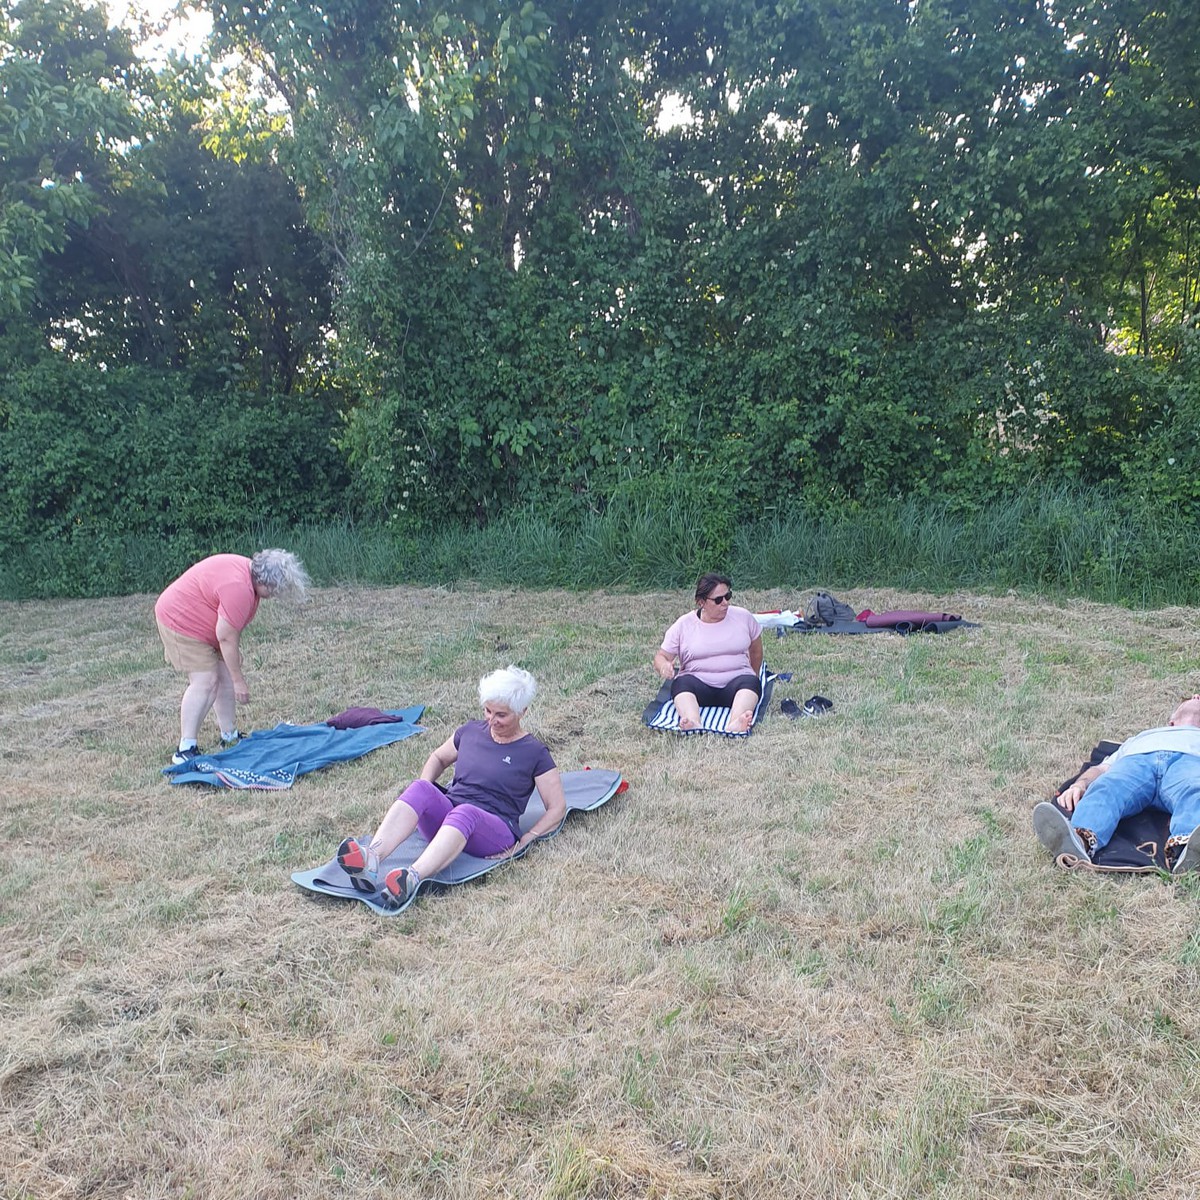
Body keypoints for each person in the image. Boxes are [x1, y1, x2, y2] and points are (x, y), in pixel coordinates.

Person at [336, 666, 567, 908]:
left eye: (501, 715)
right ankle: (371, 859)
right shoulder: (470, 732)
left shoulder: (534, 752)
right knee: (421, 787)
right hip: (450, 817)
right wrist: (426, 793)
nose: (492, 720)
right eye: (488, 711)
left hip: (493, 829)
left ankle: (411, 878)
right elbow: (438, 758)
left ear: (522, 712)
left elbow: (557, 807)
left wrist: (526, 840)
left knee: (465, 811)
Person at [155, 549, 310, 764]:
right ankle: (185, 749)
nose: (275, 595)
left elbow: (227, 633)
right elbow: (226, 637)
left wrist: (233, 666)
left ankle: (228, 735)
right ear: (267, 583)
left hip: (205, 621)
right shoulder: (239, 589)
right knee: (206, 682)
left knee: (225, 673)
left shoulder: (248, 574)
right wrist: (239, 681)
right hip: (180, 621)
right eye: (276, 590)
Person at [1033, 696, 1200, 873]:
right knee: (1106, 787)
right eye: (1192, 697)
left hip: (1190, 764)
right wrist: (1079, 784)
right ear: (1171, 722)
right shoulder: (1140, 738)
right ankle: (1078, 842)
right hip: (1137, 763)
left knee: (1195, 792)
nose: (1197, 696)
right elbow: (1101, 769)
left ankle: (1187, 851)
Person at [652, 572, 764, 734]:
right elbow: (661, 657)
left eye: (728, 596)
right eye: (718, 600)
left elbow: (756, 649)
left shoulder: (743, 617)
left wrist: (754, 673)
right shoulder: (684, 625)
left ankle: (736, 722)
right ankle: (692, 721)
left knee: (751, 682)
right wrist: (664, 666)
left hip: (737, 684)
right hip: (698, 686)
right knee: (681, 683)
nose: (725, 603)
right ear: (701, 602)